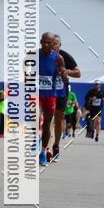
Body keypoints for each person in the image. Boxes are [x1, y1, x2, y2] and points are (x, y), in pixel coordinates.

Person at [50, 35, 81, 162]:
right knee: (45, 118)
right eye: (51, 43)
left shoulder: (64, 56)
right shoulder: (42, 55)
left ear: (60, 45)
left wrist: (65, 71)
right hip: (46, 90)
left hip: (61, 90)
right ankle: (42, 144)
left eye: (56, 43)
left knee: (58, 120)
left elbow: (78, 73)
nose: (53, 46)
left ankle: (56, 146)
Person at [38, 32, 65, 166]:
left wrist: (63, 74)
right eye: (45, 42)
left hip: (50, 95)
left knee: (47, 124)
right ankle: (34, 140)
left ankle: (43, 152)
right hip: (36, 94)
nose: (48, 45)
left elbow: (64, 77)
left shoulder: (58, 58)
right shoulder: (33, 56)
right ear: (41, 42)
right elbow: (25, 75)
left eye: (50, 42)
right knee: (35, 116)